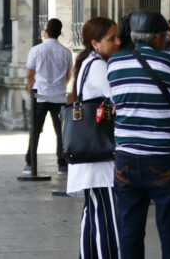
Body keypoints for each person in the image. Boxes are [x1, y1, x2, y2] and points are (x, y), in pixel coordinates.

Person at [108, 10, 170, 259]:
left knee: (130, 229)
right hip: (166, 157)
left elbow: (116, 99)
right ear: (158, 38)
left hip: (126, 157)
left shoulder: (115, 63)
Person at [68, 17, 121, 258]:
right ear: (95, 42)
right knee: (107, 217)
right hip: (100, 154)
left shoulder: (89, 62)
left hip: (91, 152)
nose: (117, 42)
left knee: (93, 213)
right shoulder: (98, 66)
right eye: (111, 39)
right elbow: (117, 99)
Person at [24, 18, 73, 174]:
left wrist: (31, 90)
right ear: (60, 33)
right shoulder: (66, 52)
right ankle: (62, 163)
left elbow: (30, 74)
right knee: (61, 131)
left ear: (46, 32)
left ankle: (30, 162)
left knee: (35, 130)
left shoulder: (36, 50)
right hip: (59, 96)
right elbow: (68, 74)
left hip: (41, 94)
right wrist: (60, 85)